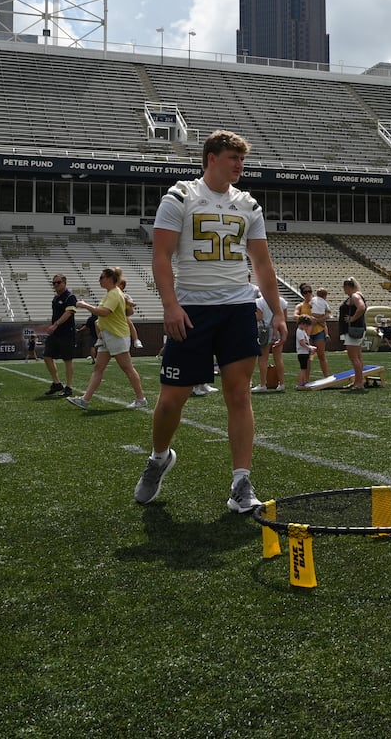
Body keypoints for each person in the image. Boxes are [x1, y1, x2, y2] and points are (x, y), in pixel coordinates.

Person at [135, 130, 286, 512]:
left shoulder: (248, 204)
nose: (239, 165)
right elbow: (161, 256)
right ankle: (158, 458)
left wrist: (278, 311)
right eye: (233, 157)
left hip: (237, 306)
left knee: (239, 395)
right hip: (192, 309)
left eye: (242, 159)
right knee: (171, 401)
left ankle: (241, 483)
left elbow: (262, 263)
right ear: (211, 158)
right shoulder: (181, 196)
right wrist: (170, 306)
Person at [68, 267, 149, 410]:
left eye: (101, 277)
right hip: (108, 336)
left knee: (127, 368)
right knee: (98, 368)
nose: (99, 280)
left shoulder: (113, 294)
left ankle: (141, 399)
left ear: (110, 279)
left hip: (117, 335)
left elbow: (104, 312)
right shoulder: (113, 293)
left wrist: (86, 305)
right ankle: (85, 400)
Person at [43, 274, 79, 397]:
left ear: (64, 283)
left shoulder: (70, 297)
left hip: (67, 333)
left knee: (67, 360)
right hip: (56, 333)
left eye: (58, 282)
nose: (56, 285)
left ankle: (69, 387)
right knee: (47, 356)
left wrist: (55, 324)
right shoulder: (55, 298)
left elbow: (69, 313)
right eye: (54, 283)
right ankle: (57, 383)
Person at [251, 287, 290, 393]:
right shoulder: (281, 301)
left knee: (263, 358)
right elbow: (284, 318)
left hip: (264, 331)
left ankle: (263, 384)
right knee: (278, 357)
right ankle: (281, 383)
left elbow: (259, 317)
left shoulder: (259, 301)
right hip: (278, 330)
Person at [339, 277, 370, 392]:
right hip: (358, 329)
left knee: (354, 358)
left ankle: (359, 383)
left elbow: (361, 308)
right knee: (358, 358)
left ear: (349, 286)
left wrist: (352, 319)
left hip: (354, 330)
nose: (344, 290)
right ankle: (359, 381)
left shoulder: (354, 296)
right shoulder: (358, 295)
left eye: (345, 287)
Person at [294, 314, 315, 389]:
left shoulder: (303, 331)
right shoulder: (299, 331)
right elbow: (302, 343)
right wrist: (309, 348)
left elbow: (306, 342)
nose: (307, 327)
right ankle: (300, 383)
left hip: (305, 352)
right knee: (303, 369)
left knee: (304, 368)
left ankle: (304, 381)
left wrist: (311, 347)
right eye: (306, 325)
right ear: (302, 324)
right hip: (302, 353)